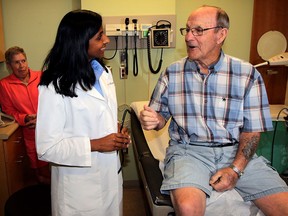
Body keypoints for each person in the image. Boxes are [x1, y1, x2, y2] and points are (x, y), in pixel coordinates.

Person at [139, 5, 288, 216]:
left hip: (234, 151)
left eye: (198, 30)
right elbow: (159, 117)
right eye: (187, 30)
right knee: (188, 208)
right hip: (188, 152)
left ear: (221, 34)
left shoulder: (247, 75)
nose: (189, 37)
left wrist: (235, 169)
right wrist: (152, 119)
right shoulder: (173, 73)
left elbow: (252, 132)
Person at [35, 9, 131, 216]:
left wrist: (116, 131)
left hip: (110, 176)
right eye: (99, 36)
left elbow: (100, 117)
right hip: (79, 189)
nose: (106, 40)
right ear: (79, 42)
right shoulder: (54, 85)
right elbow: (46, 148)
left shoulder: (103, 73)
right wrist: (96, 144)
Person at [0, 46, 50, 184]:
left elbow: (54, 102)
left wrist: (43, 118)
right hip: (29, 132)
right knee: (39, 174)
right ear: (9, 66)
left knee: (53, 169)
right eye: (16, 62)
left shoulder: (41, 76)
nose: (21, 66)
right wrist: (25, 118)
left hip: (49, 129)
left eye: (23, 61)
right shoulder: (5, 85)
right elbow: (8, 111)